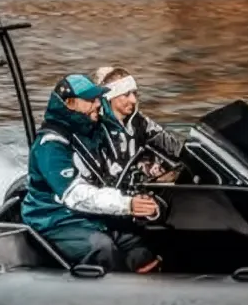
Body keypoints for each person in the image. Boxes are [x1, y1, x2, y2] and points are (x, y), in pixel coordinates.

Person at [21, 73, 162, 272]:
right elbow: (75, 195)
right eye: (90, 100)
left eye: (97, 99)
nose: (98, 104)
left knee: (137, 244)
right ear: (70, 104)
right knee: (102, 248)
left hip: (88, 218)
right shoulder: (50, 146)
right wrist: (126, 204)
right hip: (55, 221)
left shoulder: (91, 132)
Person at [92, 65, 186, 184]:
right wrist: (150, 178)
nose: (133, 100)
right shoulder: (98, 129)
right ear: (111, 97)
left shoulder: (141, 122)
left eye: (134, 94)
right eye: (126, 94)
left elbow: (175, 148)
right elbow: (107, 177)